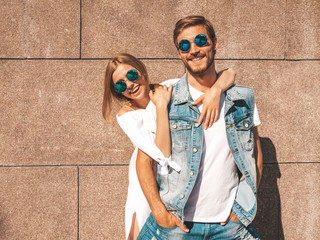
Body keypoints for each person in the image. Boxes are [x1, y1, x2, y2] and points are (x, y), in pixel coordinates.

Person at [136, 16, 263, 240]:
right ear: (179, 53)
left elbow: (255, 155)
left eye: (200, 40)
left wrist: (240, 209)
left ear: (215, 43)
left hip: (229, 225)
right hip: (177, 225)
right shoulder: (165, 99)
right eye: (184, 45)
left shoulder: (241, 98)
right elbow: (144, 161)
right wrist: (159, 212)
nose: (193, 50)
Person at [102, 53, 237, 240]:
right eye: (121, 84)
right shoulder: (127, 115)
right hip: (149, 177)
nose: (130, 85)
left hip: (179, 180)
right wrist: (160, 107)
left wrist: (215, 91)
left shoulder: (170, 86)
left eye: (131, 75)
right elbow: (162, 154)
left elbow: (229, 73)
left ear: (140, 69)